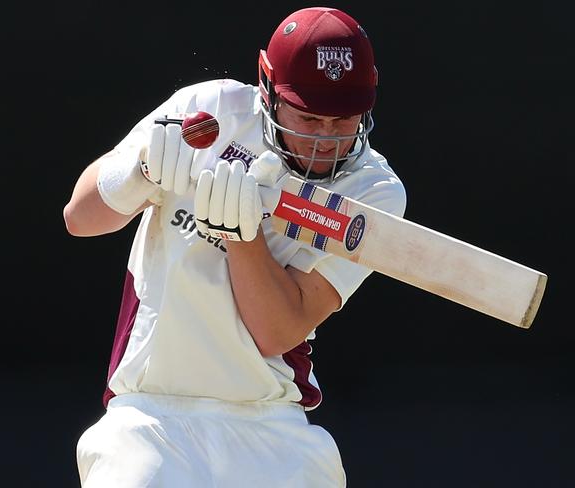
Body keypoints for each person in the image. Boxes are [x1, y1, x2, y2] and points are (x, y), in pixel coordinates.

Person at [64, 6, 406, 488]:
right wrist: (138, 172)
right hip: (150, 421)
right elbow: (78, 218)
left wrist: (243, 236)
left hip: (271, 427)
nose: (325, 139)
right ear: (267, 85)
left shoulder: (374, 192)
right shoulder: (209, 110)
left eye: (343, 120)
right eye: (308, 117)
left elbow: (276, 331)